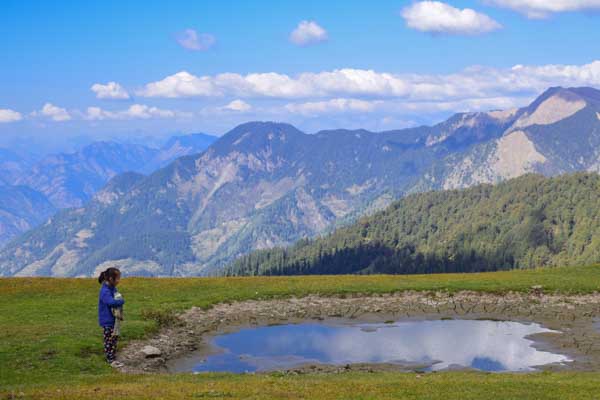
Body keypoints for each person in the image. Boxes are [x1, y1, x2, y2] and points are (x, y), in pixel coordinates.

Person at [98, 267, 125, 367]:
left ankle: (113, 357)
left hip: (113, 320)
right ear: (110, 279)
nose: (119, 281)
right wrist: (121, 301)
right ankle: (110, 359)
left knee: (114, 338)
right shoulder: (104, 291)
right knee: (109, 340)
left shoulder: (112, 288)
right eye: (117, 278)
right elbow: (110, 302)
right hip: (107, 320)